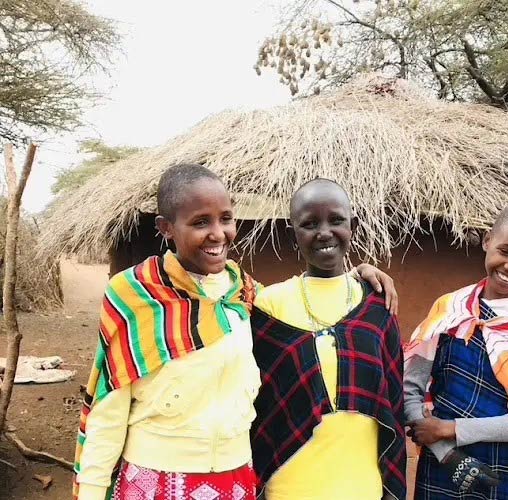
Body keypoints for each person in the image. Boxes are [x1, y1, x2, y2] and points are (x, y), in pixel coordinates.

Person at [74, 164, 398, 500]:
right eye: (201, 222)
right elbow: (108, 408)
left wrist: (356, 275)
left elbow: (310, 296)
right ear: (166, 228)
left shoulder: (244, 296)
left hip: (236, 480)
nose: (217, 233)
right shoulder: (133, 295)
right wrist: (92, 491)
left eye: (225, 218)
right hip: (155, 481)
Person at [251, 178, 407, 500]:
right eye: (310, 223)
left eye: (336, 220)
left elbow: (393, 401)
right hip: (289, 485)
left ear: (352, 225)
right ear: (295, 234)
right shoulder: (268, 305)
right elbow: (255, 402)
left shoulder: (377, 305)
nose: (324, 232)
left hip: (362, 486)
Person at [404, 202, 508, 500]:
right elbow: (408, 389)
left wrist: (452, 429)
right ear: (487, 240)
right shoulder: (449, 309)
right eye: (505, 251)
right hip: (443, 463)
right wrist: (446, 453)